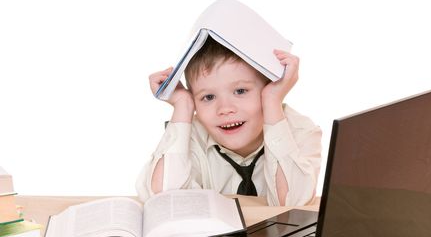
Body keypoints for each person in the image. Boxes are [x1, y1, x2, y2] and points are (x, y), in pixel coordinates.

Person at [136, 37, 322, 206]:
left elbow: (293, 204)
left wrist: (273, 101)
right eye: (208, 97)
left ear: (268, 87)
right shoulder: (193, 135)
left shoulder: (300, 131)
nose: (225, 108)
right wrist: (182, 105)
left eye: (240, 91)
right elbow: (162, 200)